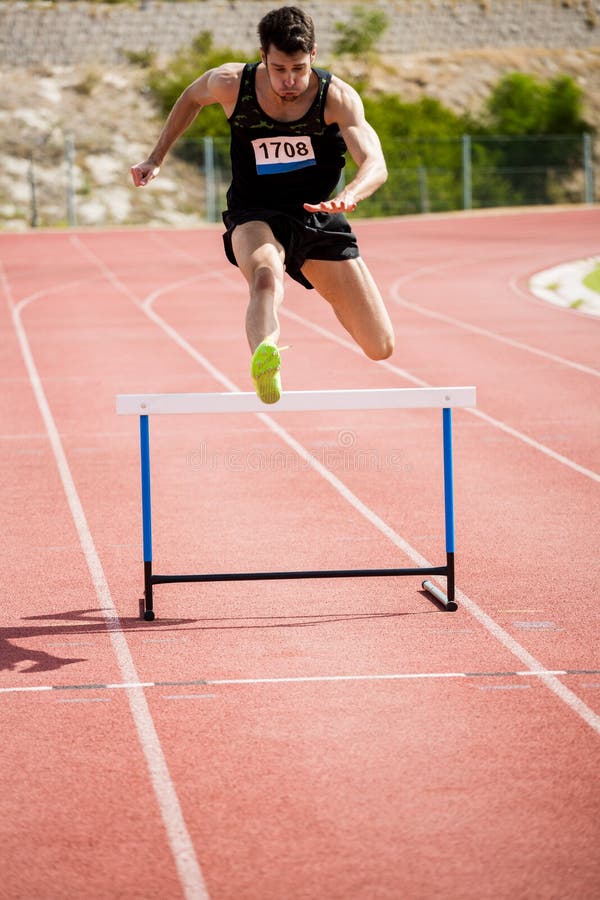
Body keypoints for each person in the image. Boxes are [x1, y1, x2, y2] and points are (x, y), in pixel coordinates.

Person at [131, 5, 395, 404]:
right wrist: (156, 157)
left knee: (380, 346)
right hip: (254, 213)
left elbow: (375, 162)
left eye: (299, 69)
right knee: (265, 275)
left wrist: (350, 195)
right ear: (262, 56)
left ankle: (305, 324)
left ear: (314, 56)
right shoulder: (230, 82)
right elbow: (189, 98)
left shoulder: (336, 97)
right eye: (279, 69)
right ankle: (265, 356)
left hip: (317, 216)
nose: (289, 81)